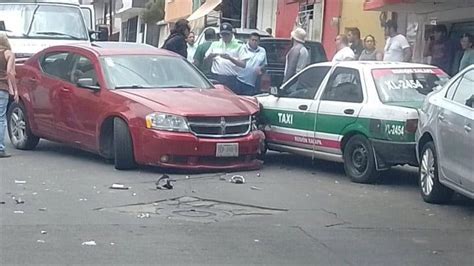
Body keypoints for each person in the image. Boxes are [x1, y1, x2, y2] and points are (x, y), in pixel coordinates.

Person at [205, 22, 250, 93]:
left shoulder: (239, 45)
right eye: (223, 34)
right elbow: (205, 61)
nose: (225, 37)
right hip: (217, 77)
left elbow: (243, 64)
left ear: (232, 34)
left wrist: (230, 58)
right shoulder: (215, 44)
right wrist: (210, 57)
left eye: (227, 34)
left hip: (231, 79)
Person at [0, 34, 18, 158]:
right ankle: (0, 148)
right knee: (1, 118)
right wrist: (15, 90)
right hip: (2, 88)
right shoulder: (8, 54)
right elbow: (10, 72)